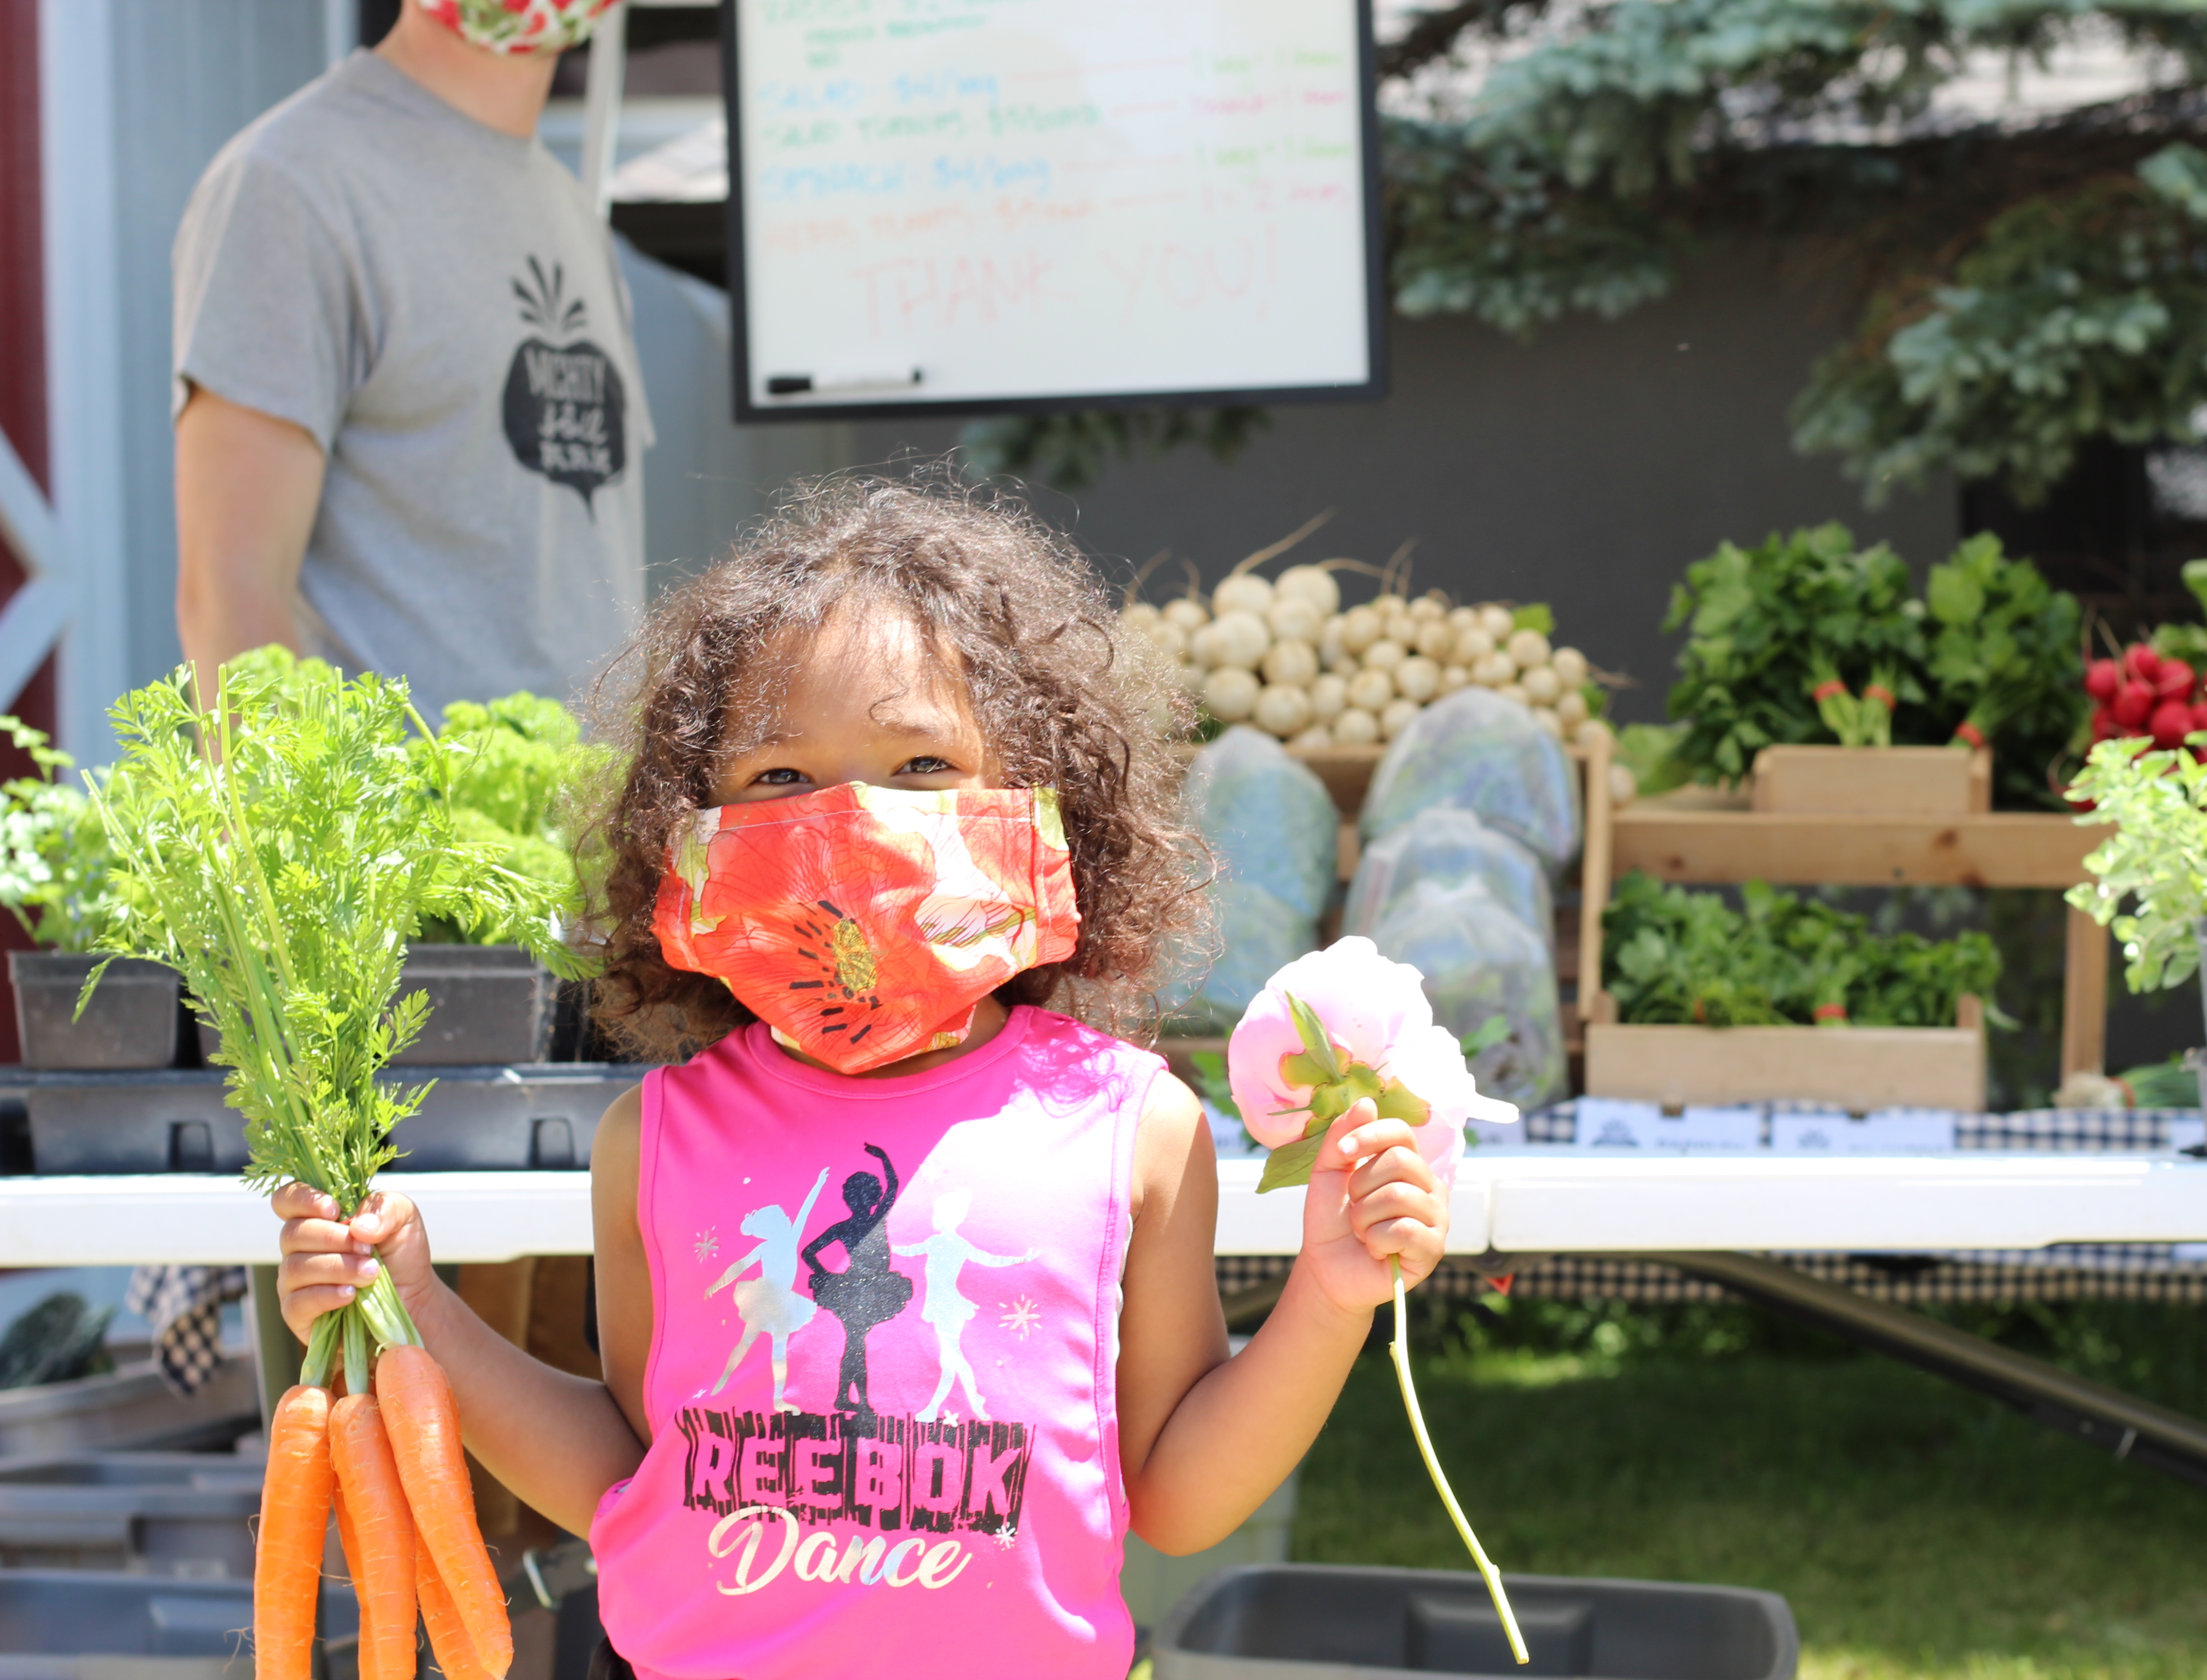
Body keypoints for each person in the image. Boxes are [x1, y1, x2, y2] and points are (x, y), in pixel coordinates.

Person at [269, 481, 1453, 1678]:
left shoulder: (1132, 1131)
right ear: (693, 828)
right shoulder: (656, 1139)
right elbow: (630, 1469)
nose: (849, 824)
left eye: (922, 762)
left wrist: (1329, 1295)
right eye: (780, 779)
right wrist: (414, 1304)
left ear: (1039, 798)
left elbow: (1178, 1494)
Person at [171, 0, 646, 718]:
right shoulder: (289, 183)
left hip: (596, 824)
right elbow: (229, 598)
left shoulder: (571, 211)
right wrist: (293, 830)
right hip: (402, 824)